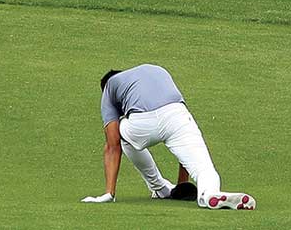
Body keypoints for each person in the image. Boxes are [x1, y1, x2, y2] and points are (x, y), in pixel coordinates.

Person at [82, 64, 255, 210]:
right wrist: (181, 186)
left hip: (142, 124)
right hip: (177, 115)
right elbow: (183, 155)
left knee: (121, 136)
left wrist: (109, 193)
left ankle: (159, 188)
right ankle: (209, 194)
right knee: (204, 169)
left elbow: (112, 145)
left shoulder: (109, 86)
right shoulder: (156, 70)